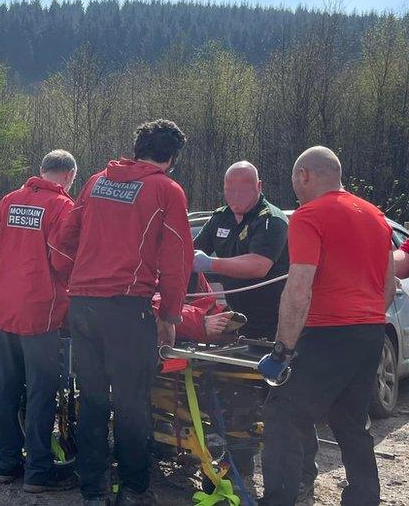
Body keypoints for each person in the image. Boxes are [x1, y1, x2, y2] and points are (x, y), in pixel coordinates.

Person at [57, 119, 193, 505]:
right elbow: (177, 258)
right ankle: (133, 489)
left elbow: (64, 238)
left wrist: (80, 278)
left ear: (137, 149)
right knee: (133, 402)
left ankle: (93, 489)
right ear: (171, 158)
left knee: (93, 399)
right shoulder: (166, 189)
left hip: (82, 304)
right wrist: (170, 315)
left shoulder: (96, 181)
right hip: (126, 307)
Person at [257, 146, 394, 506]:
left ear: (304, 175)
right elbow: (390, 285)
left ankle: (279, 499)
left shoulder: (308, 216)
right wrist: (366, 321)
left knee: (282, 413)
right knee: (350, 420)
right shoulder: (376, 215)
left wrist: (282, 350)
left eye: (293, 180)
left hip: (328, 332)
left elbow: (299, 287)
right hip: (369, 332)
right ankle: (364, 498)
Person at [0, 150, 78, 493]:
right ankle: (37, 470)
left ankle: (6, 463)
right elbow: (63, 259)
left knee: (5, 386)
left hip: (5, 312)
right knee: (40, 392)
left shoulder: (9, 200)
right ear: (68, 176)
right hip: (41, 314)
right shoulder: (62, 206)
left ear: (42, 170)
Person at [193, 161, 290, 340]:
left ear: (259, 186)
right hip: (238, 322)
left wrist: (210, 263)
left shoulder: (270, 220)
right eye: (230, 190)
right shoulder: (220, 218)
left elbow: (259, 266)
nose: (236, 196)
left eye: (243, 191)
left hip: (275, 324)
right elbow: (190, 253)